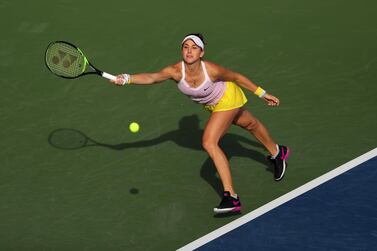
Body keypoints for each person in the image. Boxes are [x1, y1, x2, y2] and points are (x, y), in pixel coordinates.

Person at [110, 33, 290, 214]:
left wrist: (262, 93)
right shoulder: (175, 71)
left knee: (209, 142)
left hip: (227, 97)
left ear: (201, 52)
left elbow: (236, 77)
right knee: (250, 124)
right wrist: (127, 78)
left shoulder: (211, 70)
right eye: (186, 47)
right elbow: (152, 77)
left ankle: (231, 197)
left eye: (194, 47)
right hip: (213, 106)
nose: (189, 51)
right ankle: (278, 152)